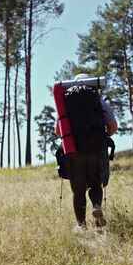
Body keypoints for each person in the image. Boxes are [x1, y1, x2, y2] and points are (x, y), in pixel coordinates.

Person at [55, 74, 118, 231]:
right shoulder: (99, 101)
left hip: (73, 151)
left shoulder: (66, 103)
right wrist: (103, 136)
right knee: (96, 183)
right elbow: (113, 126)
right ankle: (96, 205)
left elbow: (58, 131)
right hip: (96, 148)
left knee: (78, 190)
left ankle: (81, 225)